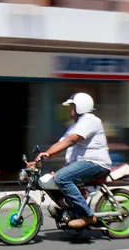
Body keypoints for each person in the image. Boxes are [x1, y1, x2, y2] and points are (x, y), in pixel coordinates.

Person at [33, 92, 112, 229]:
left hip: (95, 163)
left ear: (80, 107)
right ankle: (70, 209)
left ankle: (87, 216)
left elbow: (71, 140)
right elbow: (61, 144)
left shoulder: (90, 120)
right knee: (52, 179)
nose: (70, 110)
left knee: (62, 177)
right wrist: (39, 161)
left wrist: (48, 153)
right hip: (84, 164)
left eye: (72, 107)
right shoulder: (76, 125)